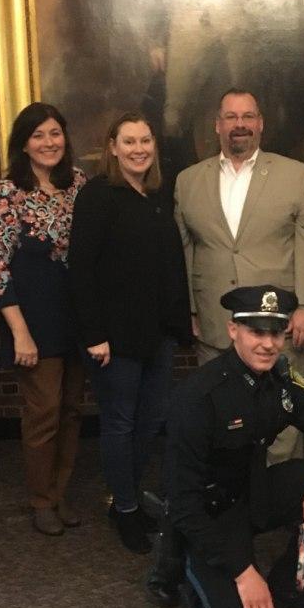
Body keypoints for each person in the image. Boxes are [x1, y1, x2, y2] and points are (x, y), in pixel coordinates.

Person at [156, 285, 304, 608]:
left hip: (252, 494)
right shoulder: (200, 397)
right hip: (207, 517)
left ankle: (287, 581)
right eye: (256, 332)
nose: (268, 344)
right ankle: (183, 564)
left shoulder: (280, 382)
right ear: (233, 331)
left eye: (276, 333)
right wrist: (244, 572)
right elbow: (183, 502)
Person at [173, 89, 304, 460]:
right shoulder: (188, 180)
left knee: (283, 411)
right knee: (220, 414)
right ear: (217, 125)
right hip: (215, 320)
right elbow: (184, 249)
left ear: (260, 123)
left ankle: (281, 495)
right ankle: (230, 502)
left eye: (247, 116)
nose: (239, 125)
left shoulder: (295, 174)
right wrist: (190, 309)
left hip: (277, 321)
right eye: (230, 117)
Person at [67, 113, 190, 554]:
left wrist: (181, 320)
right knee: (120, 422)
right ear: (112, 148)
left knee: (150, 419)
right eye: (129, 141)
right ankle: (124, 507)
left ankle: (127, 498)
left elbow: (168, 265)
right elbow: (80, 270)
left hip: (157, 333)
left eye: (145, 140)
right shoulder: (98, 196)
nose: (139, 148)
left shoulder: (156, 195)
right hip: (113, 338)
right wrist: (93, 334)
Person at [0, 103, 87, 537]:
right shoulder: (7, 194)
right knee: (43, 411)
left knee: (72, 411)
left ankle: (59, 493)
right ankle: (41, 500)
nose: (49, 142)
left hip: (76, 319)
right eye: (39, 135)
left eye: (56, 133)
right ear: (23, 142)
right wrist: (20, 332)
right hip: (33, 323)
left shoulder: (78, 184)